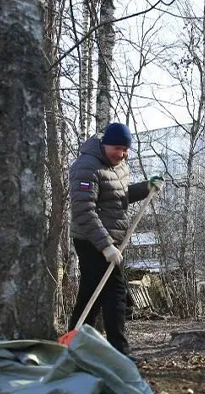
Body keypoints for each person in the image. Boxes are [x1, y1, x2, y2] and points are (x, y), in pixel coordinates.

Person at [69, 122, 158, 357]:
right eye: (117, 148)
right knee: (116, 292)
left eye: (125, 149)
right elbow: (83, 211)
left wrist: (146, 188)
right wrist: (105, 246)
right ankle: (120, 352)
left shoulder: (119, 167)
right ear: (104, 144)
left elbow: (119, 196)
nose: (122, 154)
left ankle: (75, 343)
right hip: (91, 241)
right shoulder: (87, 167)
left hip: (112, 242)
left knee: (92, 294)